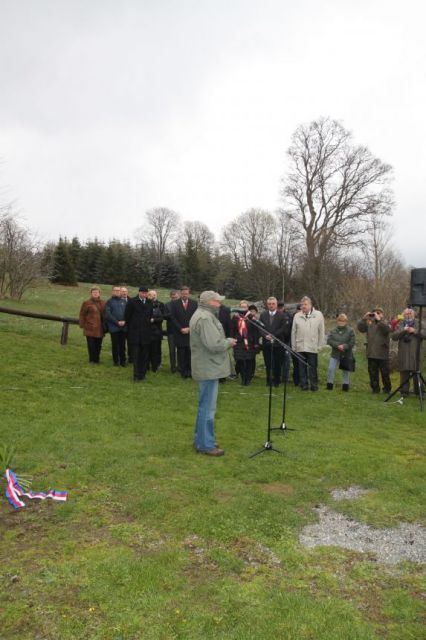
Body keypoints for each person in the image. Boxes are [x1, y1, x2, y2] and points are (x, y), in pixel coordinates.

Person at [190, 291, 237, 456]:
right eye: (217, 301)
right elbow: (214, 344)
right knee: (208, 408)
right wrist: (229, 342)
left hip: (208, 367)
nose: (220, 304)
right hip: (208, 368)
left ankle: (202, 439)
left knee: (205, 406)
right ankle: (205, 444)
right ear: (209, 302)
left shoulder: (205, 315)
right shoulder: (204, 318)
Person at [291, 296, 325, 391]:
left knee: (312, 367)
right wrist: (294, 346)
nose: (303, 306)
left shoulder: (318, 315)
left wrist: (320, 345)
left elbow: (321, 331)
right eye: (302, 305)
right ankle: (304, 385)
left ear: (310, 305)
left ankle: (314, 386)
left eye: (305, 304)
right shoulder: (297, 316)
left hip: (312, 346)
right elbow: (293, 331)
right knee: (301, 368)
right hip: (300, 346)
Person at [391, 308, 425, 396]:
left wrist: (415, 331)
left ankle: (419, 392)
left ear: (413, 314)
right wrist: (404, 330)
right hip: (404, 352)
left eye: (410, 313)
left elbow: (425, 334)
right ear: (403, 315)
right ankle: (404, 392)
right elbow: (394, 337)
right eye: (406, 314)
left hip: (416, 353)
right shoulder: (401, 323)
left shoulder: (419, 322)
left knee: (416, 372)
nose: (408, 315)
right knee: (404, 373)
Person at [357, 307, 391, 394]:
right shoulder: (369, 322)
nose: (376, 314)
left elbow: (387, 330)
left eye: (379, 313)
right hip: (371, 352)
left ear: (382, 314)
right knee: (373, 373)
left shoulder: (385, 322)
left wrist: (379, 320)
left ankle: (387, 389)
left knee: (385, 373)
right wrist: (363, 319)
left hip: (382, 352)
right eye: (375, 313)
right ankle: (375, 389)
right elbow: (361, 329)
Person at [260, 297, 291, 387]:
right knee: (268, 363)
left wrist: (273, 335)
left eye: (273, 304)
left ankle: (277, 381)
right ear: (267, 305)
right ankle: (269, 380)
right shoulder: (263, 315)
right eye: (269, 304)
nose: (271, 305)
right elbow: (260, 327)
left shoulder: (282, 315)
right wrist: (265, 335)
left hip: (278, 343)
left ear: (276, 304)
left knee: (277, 363)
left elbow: (283, 328)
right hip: (266, 343)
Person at [124, 286, 153, 382]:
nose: (144, 295)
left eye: (146, 293)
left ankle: (143, 375)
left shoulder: (149, 302)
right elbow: (127, 316)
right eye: (142, 293)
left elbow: (150, 315)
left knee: (144, 356)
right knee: (136, 356)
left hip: (146, 334)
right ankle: (136, 376)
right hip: (135, 334)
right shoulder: (132, 302)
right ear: (139, 292)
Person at [170, 285, 198, 378]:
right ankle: (182, 372)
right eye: (183, 294)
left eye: (186, 293)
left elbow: (196, 318)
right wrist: (180, 328)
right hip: (180, 332)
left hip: (190, 332)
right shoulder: (174, 304)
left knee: (189, 352)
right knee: (181, 352)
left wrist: (190, 328)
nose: (185, 295)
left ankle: (189, 371)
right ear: (180, 293)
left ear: (188, 293)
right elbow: (172, 317)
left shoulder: (194, 304)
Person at [231, 301, 260, 386]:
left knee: (248, 361)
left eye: (245, 307)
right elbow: (232, 330)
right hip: (239, 342)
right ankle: (243, 378)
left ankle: (248, 379)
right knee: (240, 361)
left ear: (247, 308)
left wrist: (256, 342)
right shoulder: (235, 318)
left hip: (249, 343)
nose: (243, 308)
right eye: (241, 307)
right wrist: (233, 339)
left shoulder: (251, 317)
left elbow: (256, 331)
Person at [326, 313, 356, 391]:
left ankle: (345, 387)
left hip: (346, 354)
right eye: (340, 320)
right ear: (337, 321)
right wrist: (337, 345)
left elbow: (352, 342)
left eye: (343, 321)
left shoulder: (351, 330)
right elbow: (329, 340)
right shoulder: (333, 331)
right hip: (335, 354)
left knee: (345, 371)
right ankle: (329, 385)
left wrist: (344, 346)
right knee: (330, 369)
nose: (341, 322)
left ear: (346, 321)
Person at [79, 286, 106, 364]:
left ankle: (97, 360)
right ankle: (92, 360)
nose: (95, 294)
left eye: (97, 292)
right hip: (89, 327)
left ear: (99, 293)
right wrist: (82, 324)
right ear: (91, 293)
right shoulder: (86, 303)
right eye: (93, 292)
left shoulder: (103, 303)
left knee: (98, 344)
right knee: (91, 345)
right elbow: (82, 314)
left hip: (100, 328)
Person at [105, 285, 128, 366]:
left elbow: (128, 313)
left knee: (122, 345)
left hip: (123, 327)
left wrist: (125, 321)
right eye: (115, 290)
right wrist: (117, 322)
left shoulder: (124, 302)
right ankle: (116, 361)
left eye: (118, 290)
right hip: (114, 327)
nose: (117, 292)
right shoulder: (109, 302)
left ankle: (123, 361)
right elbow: (108, 314)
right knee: (115, 345)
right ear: (112, 291)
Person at [147, 289, 165, 372]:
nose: (153, 296)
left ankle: (157, 364)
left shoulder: (161, 304)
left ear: (156, 295)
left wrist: (154, 320)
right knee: (148, 348)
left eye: (154, 294)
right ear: (148, 295)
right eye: (150, 294)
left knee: (157, 349)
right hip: (147, 331)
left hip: (157, 330)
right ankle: (148, 364)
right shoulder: (145, 303)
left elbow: (162, 317)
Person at [164, 290, 180, 373]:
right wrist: (172, 314)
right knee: (172, 350)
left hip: (181, 331)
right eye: (173, 298)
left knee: (181, 350)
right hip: (171, 331)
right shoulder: (167, 305)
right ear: (171, 297)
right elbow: (164, 316)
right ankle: (173, 367)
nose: (174, 299)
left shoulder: (182, 305)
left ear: (178, 296)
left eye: (176, 297)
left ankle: (180, 366)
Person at [120, 286, 132, 363]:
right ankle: (122, 358)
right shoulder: (117, 300)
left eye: (125, 291)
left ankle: (131, 358)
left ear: (127, 292)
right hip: (121, 326)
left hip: (131, 326)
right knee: (121, 343)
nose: (124, 293)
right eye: (123, 291)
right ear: (120, 292)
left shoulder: (132, 301)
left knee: (131, 343)